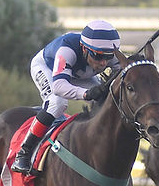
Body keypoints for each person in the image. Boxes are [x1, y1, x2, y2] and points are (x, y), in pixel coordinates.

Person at [11, 20, 121, 174]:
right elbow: (59, 86)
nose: (103, 63)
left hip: (79, 74)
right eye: (97, 56)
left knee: (107, 100)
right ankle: (24, 152)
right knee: (57, 103)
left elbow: (126, 73)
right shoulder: (67, 51)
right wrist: (86, 94)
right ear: (84, 48)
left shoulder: (108, 55)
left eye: (108, 57)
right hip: (49, 69)